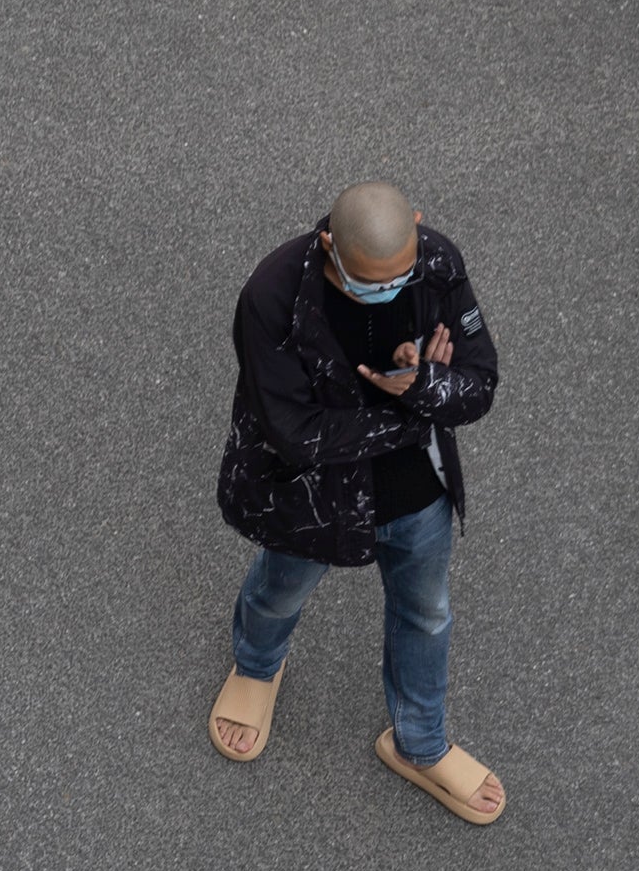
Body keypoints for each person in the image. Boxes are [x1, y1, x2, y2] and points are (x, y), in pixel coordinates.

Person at [209, 181, 507, 824]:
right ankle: (257, 668)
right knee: (280, 588)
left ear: (419, 230)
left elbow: (480, 385)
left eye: (401, 277)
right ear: (327, 248)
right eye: (369, 282)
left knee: (426, 612)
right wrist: (410, 404)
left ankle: (420, 744)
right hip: (312, 498)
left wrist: (424, 383)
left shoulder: (437, 263)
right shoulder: (272, 295)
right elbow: (297, 435)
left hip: (415, 493)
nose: (390, 291)